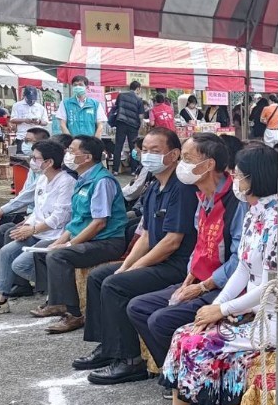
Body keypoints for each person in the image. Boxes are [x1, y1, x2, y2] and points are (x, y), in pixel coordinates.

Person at [135, 144, 278, 405]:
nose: (235, 181)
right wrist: (213, 308)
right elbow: (242, 269)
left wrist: (223, 308)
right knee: (185, 334)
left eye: (240, 176)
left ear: (256, 179)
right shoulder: (254, 214)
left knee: (202, 345)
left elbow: (273, 285)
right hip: (254, 310)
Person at [69, 128, 198, 383]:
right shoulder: (153, 188)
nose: (147, 155)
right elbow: (148, 236)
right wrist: (126, 264)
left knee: (116, 285)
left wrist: (134, 268)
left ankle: (130, 360)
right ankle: (107, 348)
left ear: (173, 155)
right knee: (99, 277)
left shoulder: (181, 189)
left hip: (177, 265)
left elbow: (172, 242)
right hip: (157, 259)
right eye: (145, 150)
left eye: (155, 151)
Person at [127, 134, 244, 375]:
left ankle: (185, 382)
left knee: (160, 320)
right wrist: (190, 276)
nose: (182, 164)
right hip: (200, 279)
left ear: (209, 164)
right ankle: (175, 374)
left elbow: (240, 259)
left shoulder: (235, 201)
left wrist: (204, 287)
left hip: (225, 288)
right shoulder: (202, 198)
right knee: (138, 307)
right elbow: (200, 243)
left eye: (188, 159)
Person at [31, 136, 129, 332]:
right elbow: (76, 221)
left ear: (86, 157)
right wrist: (60, 241)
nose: (67, 154)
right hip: (89, 237)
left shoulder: (102, 181)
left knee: (59, 256)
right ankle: (55, 301)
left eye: (71, 151)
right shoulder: (82, 179)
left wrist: (69, 245)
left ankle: (74, 314)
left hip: (107, 241)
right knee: (42, 249)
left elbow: (99, 223)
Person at [0, 140, 76, 317]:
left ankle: (59, 290)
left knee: (20, 264)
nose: (32, 161)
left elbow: (60, 217)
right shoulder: (43, 179)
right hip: (38, 231)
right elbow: (36, 206)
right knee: (7, 251)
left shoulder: (66, 182)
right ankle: (0, 299)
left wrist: (33, 229)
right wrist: (28, 223)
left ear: (49, 162)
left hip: (56, 235)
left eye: (35, 158)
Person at [0, 127, 50, 286]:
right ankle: (0, 275)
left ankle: (17, 284)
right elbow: (23, 195)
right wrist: (1, 211)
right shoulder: (34, 169)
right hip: (31, 214)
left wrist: (30, 224)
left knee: (8, 231)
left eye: (29, 141)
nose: (24, 144)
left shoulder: (55, 175)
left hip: (39, 219)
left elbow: (55, 212)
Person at [110, 81, 144, 175]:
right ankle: (133, 170)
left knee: (118, 146)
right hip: (133, 125)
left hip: (121, 123)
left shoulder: (121, 96)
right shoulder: (139, 99)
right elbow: (141, 116)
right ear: (138, 88)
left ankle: (115, 170)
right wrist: (141, 126)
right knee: (133, 147)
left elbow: (116, 108)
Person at [10, 86, 49, 154]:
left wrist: (39, 122)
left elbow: (45, 122)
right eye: (30, 99)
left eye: (33, 99)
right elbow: (13, 119)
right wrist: (24, 120)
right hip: (23, 136)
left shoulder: (40, 107)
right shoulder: (17, 105)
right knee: (21, 159)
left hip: (37, 138)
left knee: (38, 157)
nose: (32, 101)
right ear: (25, 96)